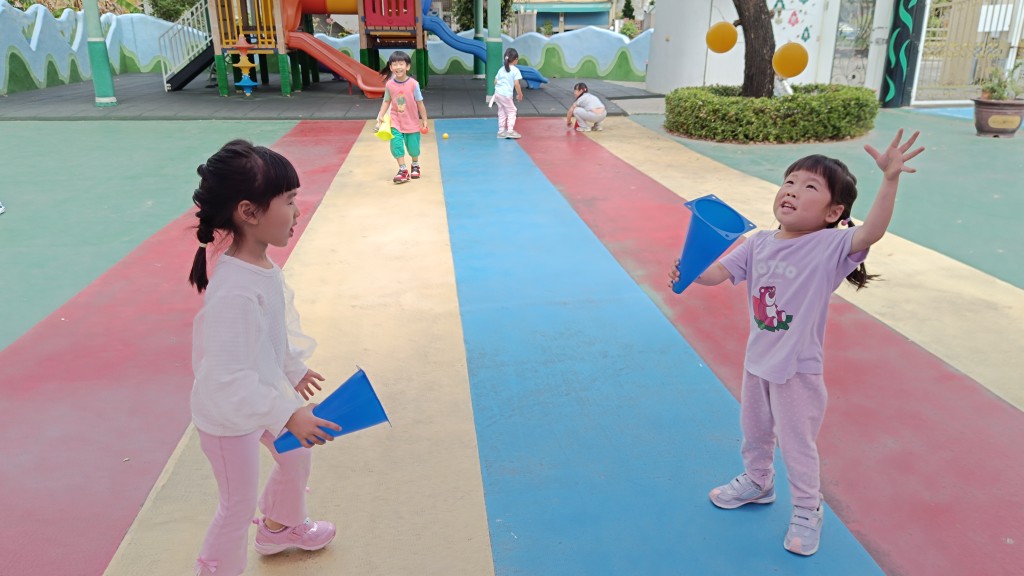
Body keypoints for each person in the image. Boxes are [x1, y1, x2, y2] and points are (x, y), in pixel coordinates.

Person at [670, 130, 924, 556]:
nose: (792, 190)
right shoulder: (759, 243)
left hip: (797, 369)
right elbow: (719, 274)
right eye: (789, 181)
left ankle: (808, 508)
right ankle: (759, 481)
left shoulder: (829, 246)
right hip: (757, 360)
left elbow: (872, 232)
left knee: (796, 443)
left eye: (809, 187)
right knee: (754, 431)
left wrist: (890, 178)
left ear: (833, 212)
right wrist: (690, 269)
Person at [188, 139, 343, 576]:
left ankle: (280, 528)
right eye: (289, 201)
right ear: (249, 212)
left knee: (296, 455)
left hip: (263, 394)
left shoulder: (261, 267)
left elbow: (274, 328)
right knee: (236, 506)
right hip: (229, 414)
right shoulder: (234, 292)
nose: (298, 211)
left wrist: (292, 368)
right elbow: (228, 378)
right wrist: (288, 414)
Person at [374, 51, 428, 184]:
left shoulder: (414, 84)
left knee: (413, 148)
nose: (398, 67)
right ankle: (403, 169)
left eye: (401, 64)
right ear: (391, 67)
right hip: (396, 121)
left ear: (407, 66)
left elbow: (420, 103)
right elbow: (386, 101)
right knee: (396, 144)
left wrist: (424, 119)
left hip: (411, 121)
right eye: (394, 64)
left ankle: (415, 164)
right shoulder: (389, 85)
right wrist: (381, 115)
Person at [494, 47, 524, 139]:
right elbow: (516, 84)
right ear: (515, 59)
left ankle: (501, 132)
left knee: (502, 111)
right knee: (512, 111)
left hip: (498, 94)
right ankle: (510, 131)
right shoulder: (515, 70)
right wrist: (520, 94)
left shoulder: (501, 69)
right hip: (506, 95)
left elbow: (495, 81)